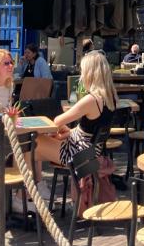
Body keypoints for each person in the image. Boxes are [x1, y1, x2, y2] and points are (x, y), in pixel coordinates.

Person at [33, 51, 117, 200]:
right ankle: (35, 189)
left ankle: (27, 194)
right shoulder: (111, 97)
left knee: (33, 143)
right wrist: (70, 132)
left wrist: (65, 130)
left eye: (83, 71)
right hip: (91, 152)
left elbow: (57, 121)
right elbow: (91, 130)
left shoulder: (91, 99)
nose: (81, 76)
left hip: (78, 154)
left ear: (90, 73)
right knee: (33, 151)